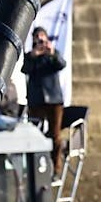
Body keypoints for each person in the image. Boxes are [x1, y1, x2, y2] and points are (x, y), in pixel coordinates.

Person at [21, 27, 67, 174]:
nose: (40, 41)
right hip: (36, 100)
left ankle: (56, 167)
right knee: (35, 132)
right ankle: (37, 167)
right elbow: (25, 69)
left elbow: (61, 64)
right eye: (37, 38)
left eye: (42, 38)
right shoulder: (30, 56)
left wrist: (51, 52)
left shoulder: (52, 54)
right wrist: (34, 55)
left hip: (54, 100)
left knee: (55, 134)